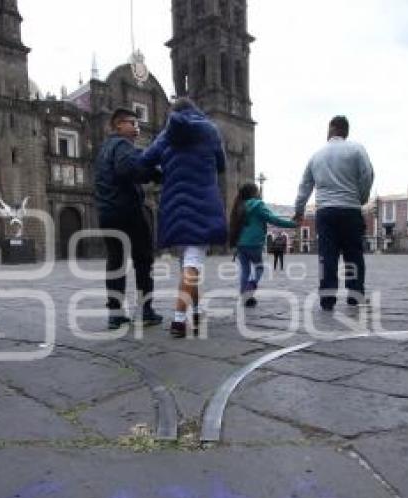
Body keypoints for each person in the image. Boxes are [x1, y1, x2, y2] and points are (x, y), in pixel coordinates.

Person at [139, 98, 227, 338]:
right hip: (203, 203)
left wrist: (162, 172)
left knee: (188, 264)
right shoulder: (210, 130)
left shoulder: (167, 134)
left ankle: (197, 311)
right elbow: (221, 165)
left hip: (173, 205)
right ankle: (179, 320)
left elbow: (144, 162)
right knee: (193, 263)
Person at [294, 115, 374, 311]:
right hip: (350, 209)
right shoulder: (357, 149)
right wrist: (360, 198)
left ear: (331, 129)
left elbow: (305, 185)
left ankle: (327, 299)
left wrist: (299, 210)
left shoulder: (316, 155)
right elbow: (368, 175)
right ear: (346, 131)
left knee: (327, 256)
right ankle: (355, 295)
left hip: (325, 212)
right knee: (353, 255)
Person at [93, 107, 163, 329]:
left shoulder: (104, 148)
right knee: (143, 259)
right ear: (118, 125)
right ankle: (146, 310)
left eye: (138, 124)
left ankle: (115, 314)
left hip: (107, 212)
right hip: (128, 210)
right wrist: (155, 173)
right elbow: (128, 170)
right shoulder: (122, 145)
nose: (137, 129)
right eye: (133, 123)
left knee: (116, 262)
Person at [229, 183, 297, 307]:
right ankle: (250, 288)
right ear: (254, 193)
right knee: (259, 268)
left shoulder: (238, 206)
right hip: (254, 243)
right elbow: (273, 219)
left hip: (240, 244)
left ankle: (245, 296)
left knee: (245, 270)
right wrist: (293, 224)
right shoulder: (258, 205)